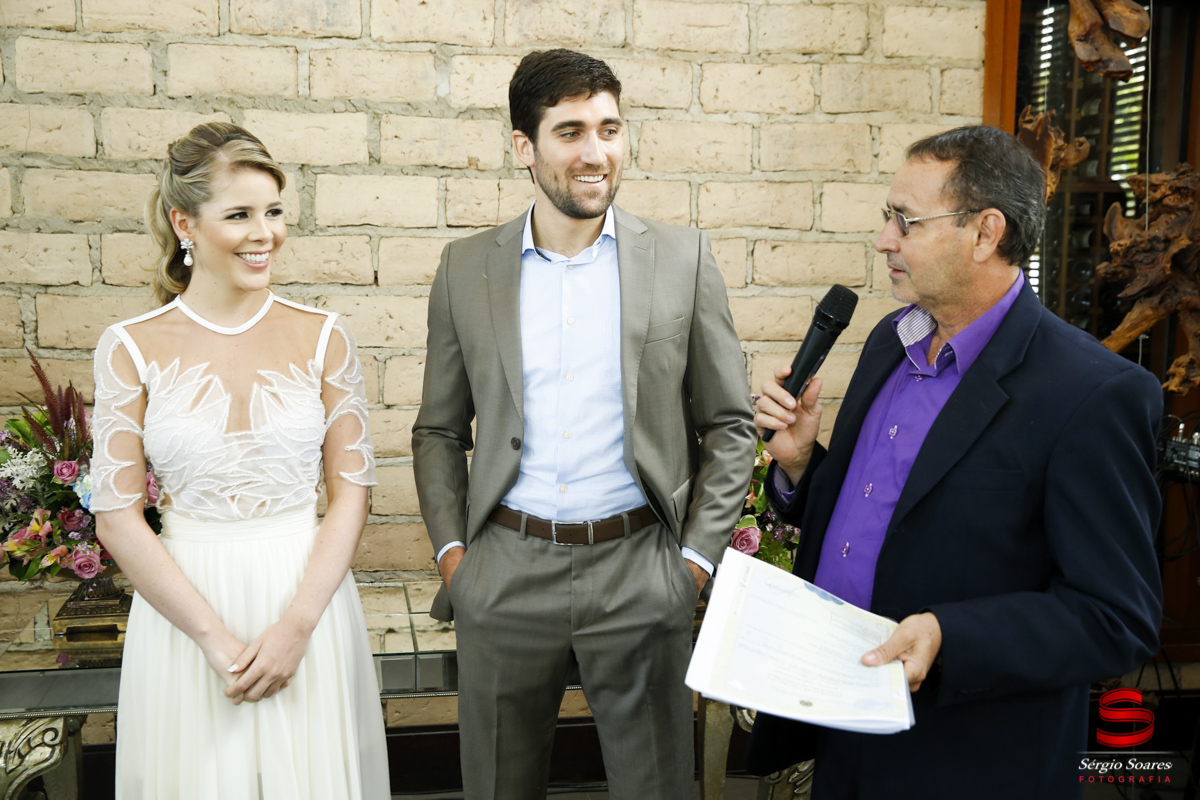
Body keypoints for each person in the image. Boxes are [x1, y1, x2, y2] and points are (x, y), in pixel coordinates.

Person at [744, 125, 1163, 800]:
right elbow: (881, 518)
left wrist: (949, 634)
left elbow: (1116, 617)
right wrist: (800, 465)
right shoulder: (889, 341)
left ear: (985, 232)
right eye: (889, 219)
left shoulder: (1092, 393)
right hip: (840, 731)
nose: (885, 240)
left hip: (967, 758)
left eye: (905, 222)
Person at [411, 49, 757, 799]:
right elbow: (438, 430)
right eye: (570, 131)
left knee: (659, 787)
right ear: (523, 148)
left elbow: (731, 424)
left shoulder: (682, 259)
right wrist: (455, 561)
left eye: (609, 128)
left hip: (641, 568)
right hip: (504, 569)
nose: (596, 152)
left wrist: (693, 565)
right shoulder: (464, 267)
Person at [91, 122, 389, 799]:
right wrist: (214, 640)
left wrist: (296, 627)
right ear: (184, 222)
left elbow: (351, 495)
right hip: (186, 611)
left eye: (274, 211)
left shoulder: (323, 337)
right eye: (240, 215)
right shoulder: (129, 346)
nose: (266, 233)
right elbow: (116, 517)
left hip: (304, 600)